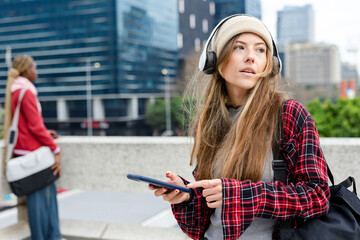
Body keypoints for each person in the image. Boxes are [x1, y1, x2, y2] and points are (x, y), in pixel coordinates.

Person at [149, 15, 330, 239]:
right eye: (239, 47)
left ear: (269, 63)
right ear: (215, 59)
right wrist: (187, 197)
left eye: (260, 50)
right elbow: (205, 222)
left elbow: (317, 197)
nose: (251, 57)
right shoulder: (208, 121)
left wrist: (242, 194)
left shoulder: (289, 115)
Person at [3, 55, 64, 240]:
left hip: (24, 151)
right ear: (26, 69)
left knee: (42, 200)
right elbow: (34, 127)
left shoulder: (16, 91)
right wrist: (56, 149)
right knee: (43, 203)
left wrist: (46, 133)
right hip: (34, 155)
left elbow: (27, 125)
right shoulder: (26, 92)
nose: (36, 71)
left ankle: (50, 235)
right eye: (34, 67)